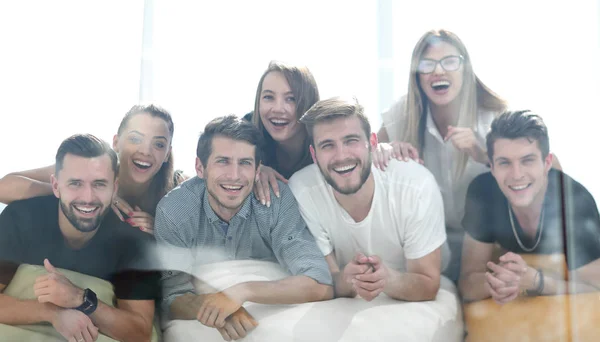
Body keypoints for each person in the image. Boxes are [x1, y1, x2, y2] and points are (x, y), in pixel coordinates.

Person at [155, 115, 333, 341]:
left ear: (258, 169)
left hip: (271, 308)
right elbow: (173, 297)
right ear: (200, 167)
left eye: (245, 163)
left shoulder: (276, 200)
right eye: (223, 161)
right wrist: (219, 309)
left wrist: (240, 292)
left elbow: (320, 284)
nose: (235, 176)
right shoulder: (174, 212)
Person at [376, 29, 516, 283]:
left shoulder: (494, 119)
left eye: (450, 61)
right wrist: (382, 151)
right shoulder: (401, 114)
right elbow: (364, 155)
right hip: (427, 247)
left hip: (488, 245)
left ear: (465, 67)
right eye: (428, 64)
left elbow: (525, 179)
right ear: (417, 75)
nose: (439, 71)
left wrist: (481, 154)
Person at [0, 134, 159, 342]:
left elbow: (139, 333)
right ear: (56, 186)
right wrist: (51, 312)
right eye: (75, 183)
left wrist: (79, 298)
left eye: (100, 184)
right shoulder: (21, 218)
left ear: (115, 187)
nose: (88, 197)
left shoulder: (136, 243)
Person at [288, 96, 447, 302]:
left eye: (350, 141)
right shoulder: (303, 190)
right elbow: (325, 279)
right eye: (327, 145)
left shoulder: (415, 186)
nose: (341, 156)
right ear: (314, 154)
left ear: (372, 143)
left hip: (408, 279)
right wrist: (348, 279)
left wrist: (387, 279)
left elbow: (428, 284)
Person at [459, 110, 600, 304]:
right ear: (491, 167)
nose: (517, 174)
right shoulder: (483, 192)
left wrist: (537, 281)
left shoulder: (574, 201)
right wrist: (497, 282)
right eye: (504, 163)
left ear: (547, 163)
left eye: (527, 160)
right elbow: (467, 283)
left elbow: (595, 287)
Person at [0, 104, 183, 234]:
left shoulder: (179, 189)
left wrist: (162, 234)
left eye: (158, 144)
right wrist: (77, 193)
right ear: (116, 143)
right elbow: (4, 188)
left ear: (167, 153)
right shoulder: (88, 167)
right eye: (135, 139)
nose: (145, 151)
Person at [242, 61, 320, 207]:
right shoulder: (247, 130)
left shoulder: (326, 138)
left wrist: (377, 150)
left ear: (309, 103)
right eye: (268, 97)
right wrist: (253, 166)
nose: (278, 109)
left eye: (291, 99)